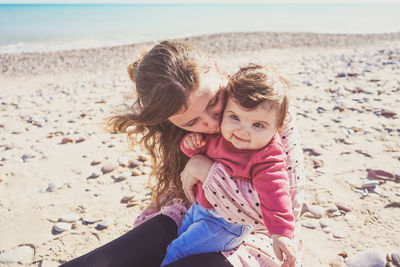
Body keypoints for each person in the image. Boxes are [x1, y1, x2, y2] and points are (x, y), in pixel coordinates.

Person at [60, 41, 305, 267]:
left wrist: (206, 171)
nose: (211, 122)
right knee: (104, 261)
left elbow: (284, 206)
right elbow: (178, 194)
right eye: (192, 122)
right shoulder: (175, 124)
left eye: (214, 101)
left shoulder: (265, 109)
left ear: (217, 69)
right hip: (194, 214)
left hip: (259, 237)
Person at [161, 64, 296, 266]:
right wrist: (190, 145)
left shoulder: (266, 155)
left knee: (177, 251)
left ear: (277, 127)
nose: (243, 130)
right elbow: (197, 152)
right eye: (235, 117)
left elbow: (275, 192)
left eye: (257, 125)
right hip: (200, 209)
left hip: (226, 224)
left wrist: (280, 233)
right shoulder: (223, 136)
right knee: (178, 240)